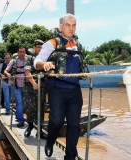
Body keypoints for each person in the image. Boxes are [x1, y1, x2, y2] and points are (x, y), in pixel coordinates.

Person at [34, 13, 85, 159]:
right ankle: (50, 142)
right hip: (57, 89)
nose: (71, 28)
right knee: (56, 121)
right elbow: (36, 62)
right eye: (68, 25)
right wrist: (44, 64)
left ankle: (70, 156)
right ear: (60, 26)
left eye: (73, 25)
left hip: (75, 90)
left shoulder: (77, 45)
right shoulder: (52, 43)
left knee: (74, 125)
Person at [23, 39, 47, 139]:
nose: (40, 49)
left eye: (42, 47)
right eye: (38, 47)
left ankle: (40, 130)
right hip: (30, 87)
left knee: (41, 108)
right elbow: (27, 72)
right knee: (30, 108)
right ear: (34, 47)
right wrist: (34, 83)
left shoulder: (45, 58)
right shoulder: (29, 58)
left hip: (42, 87)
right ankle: (30, 125)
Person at [4, 47, 26, 127]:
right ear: (17, 52)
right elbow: (6, 70)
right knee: (19, 102)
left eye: (23, 52)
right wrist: (8, 74)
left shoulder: (28, 60)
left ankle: (18, 114)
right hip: (16, 85)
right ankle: (21, 120)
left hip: (27, 85)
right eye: (20, 52)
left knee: (24, 103)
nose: (22, 53)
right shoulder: (13, 61)